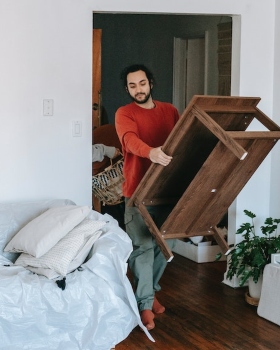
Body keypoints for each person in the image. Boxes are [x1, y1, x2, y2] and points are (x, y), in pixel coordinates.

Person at [115, 64, 180, 331]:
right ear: (128, 89)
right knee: (142, 248)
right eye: (132, 86)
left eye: (142, 84)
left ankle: (148, 293)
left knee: (165, 249)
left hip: (168, 192)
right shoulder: (124, 113)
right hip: (137, 193)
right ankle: (144, 305)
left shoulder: (170, 111)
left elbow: (182, 141)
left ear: (150, 83)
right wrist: (150, 152)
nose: (138, 90)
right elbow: (129, 140)